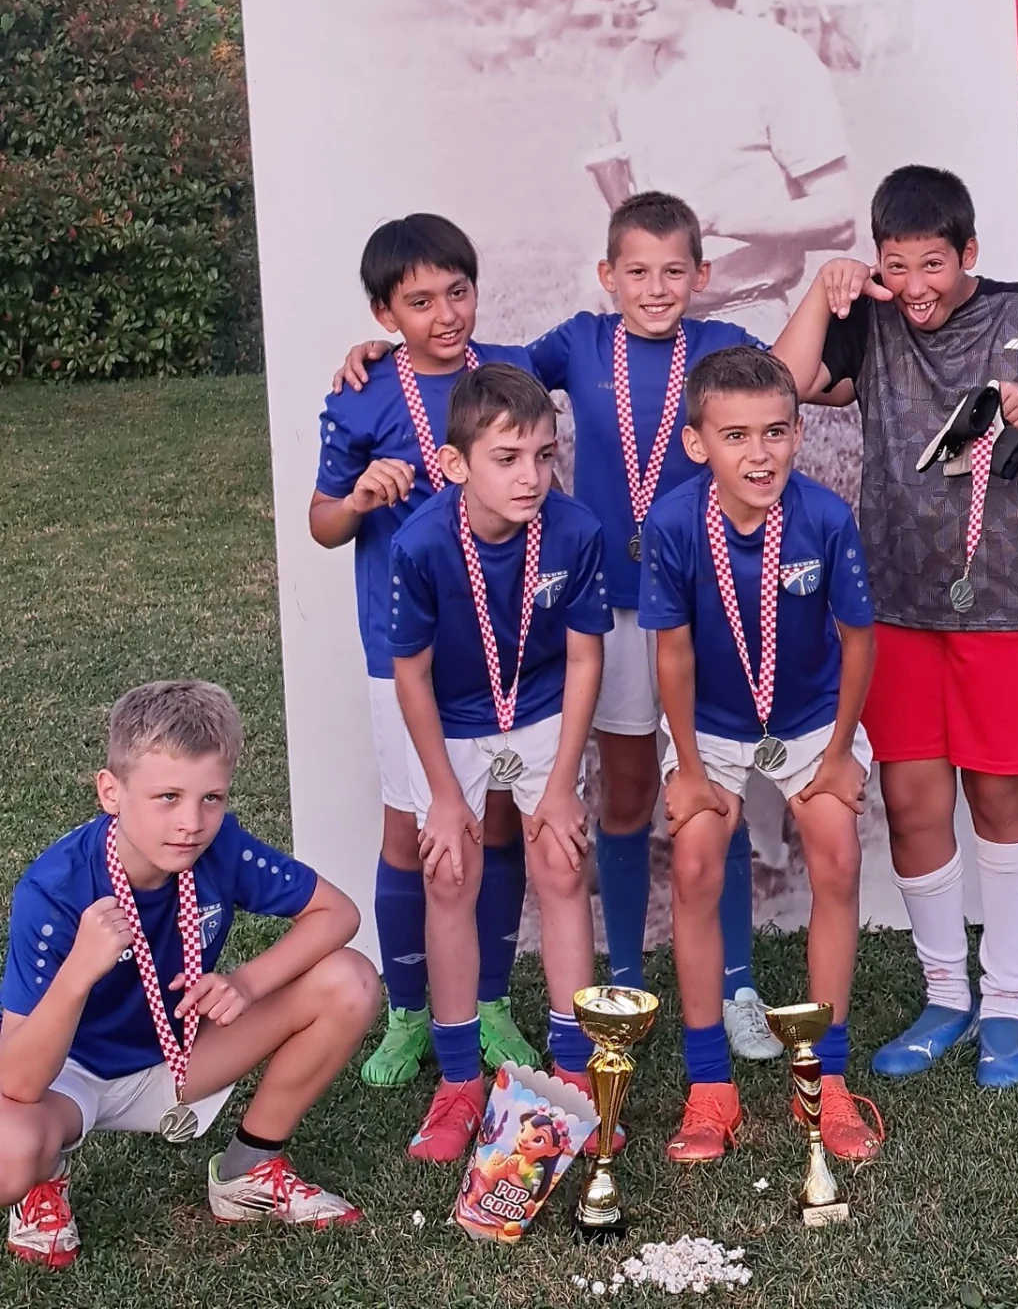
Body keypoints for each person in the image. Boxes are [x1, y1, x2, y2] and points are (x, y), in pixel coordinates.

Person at [333, 194, 784, 1064]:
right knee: (624, 792)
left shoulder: (720, 342)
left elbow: (790, 380)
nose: (656, 288)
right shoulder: (577, 343)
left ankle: (737, 985)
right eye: (637, 271)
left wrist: (832, 292)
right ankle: (621, 981)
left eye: (674, 271)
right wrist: (387, 353)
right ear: (608, 275)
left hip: (699, 601)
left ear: (701, 274)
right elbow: (477, 374)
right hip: (608, 607)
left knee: (715, 787)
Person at [774, 166, 1018, 1089]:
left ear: (969, 253)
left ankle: (1007, 1002)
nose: (915, 285)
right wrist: (820, 289)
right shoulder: (868, 319)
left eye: (933, 264)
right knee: (913, 802)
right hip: (895, 605)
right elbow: (780, 388)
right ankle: (946, 994)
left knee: (999, 797)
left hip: (1005, 606)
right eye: (896, 263)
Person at [0, 680, 379, 1270]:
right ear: (111, 791)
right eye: (168, 797)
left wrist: (247, 983)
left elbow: (338, 914)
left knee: (350, 980)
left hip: (180, 1049)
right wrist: (79, 972)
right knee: (9, 1152)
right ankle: (43, 1186)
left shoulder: (219, 846)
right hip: (67, 1077)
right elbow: (17, 1080)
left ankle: (249, 1169)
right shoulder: (54, 890)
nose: (191, 822)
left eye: (212, 798)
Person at [311, 214, 539, 1089]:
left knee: (498, 820)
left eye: (458, 292)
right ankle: (409, 1011)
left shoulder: (509, 371)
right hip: (401, 646)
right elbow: (322, 523)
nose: (445, 314)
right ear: (384, 313)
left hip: (504, 644)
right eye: (419, 302)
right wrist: (359, 499)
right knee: (411, 829)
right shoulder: (362, 393)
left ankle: (490, 1002)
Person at [642, 347, 881, 1163]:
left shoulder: (826, 518)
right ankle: (710, 1087)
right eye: (736, 435)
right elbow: (672, 654)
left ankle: (827, 1080)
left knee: (838, 853)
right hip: (710, 721)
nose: (759, 454)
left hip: (810, 716)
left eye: (776, 432)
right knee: (696, 862)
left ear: (799, 433)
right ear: (697, 443)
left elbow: (858, 641)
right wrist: (689, 768)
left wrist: (841, 753)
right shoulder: (674, 523)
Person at [389, 364, 611, 1166]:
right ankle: (458, 1084)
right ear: (456, 464)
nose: (531, 477)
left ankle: (573, 1074)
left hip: (543, 708)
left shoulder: (575, 531)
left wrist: (563, 782)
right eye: (508, 458)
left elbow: (585, 659)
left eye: (545, 456)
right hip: (452, 720)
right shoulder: (420, 543)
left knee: (561, 864)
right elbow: (410, 675)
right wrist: (445, 796)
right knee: (450, 874)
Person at [591, 0, 856, 342]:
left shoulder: (775, 59)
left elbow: (840, 217)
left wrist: (716, 219)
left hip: (742, 317)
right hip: (640, 316)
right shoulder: (628, 69)